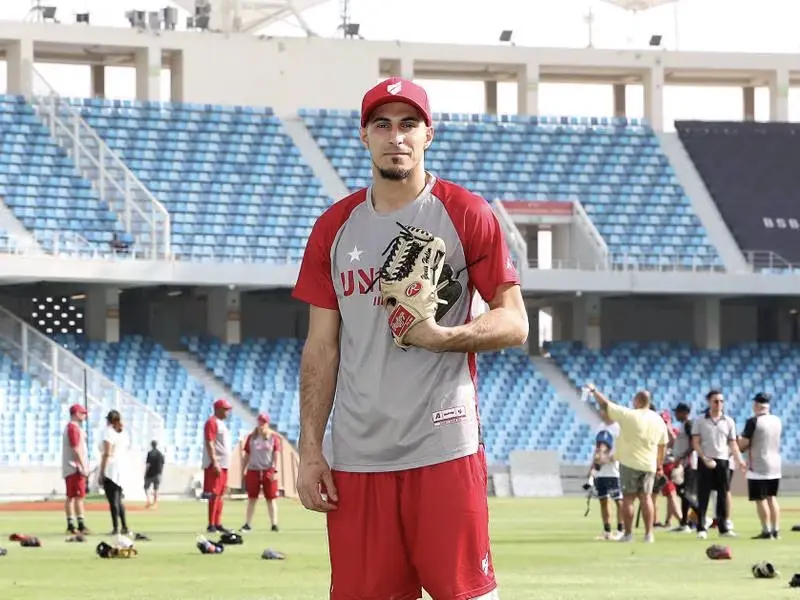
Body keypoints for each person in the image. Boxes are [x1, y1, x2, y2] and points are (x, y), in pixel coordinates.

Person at [291, 77, 528, 599]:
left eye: (408, 124)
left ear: (428, 134)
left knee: (464, 595)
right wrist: (311, 450)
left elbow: (515, 321)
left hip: (443, 446)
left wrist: (441, 337)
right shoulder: (334, 228)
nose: (395, 137)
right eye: (382, 125)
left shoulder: (466, 213)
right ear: (364, 136)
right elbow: (321, 349)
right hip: (357, 457)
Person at [585, 385, 668, 543]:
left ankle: (628, 534)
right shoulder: (658, 420)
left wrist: (594, 391)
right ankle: (649, 534)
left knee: (628, 498)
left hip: (630, 462)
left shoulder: (630, 415)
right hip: (649, 464)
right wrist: (659, 465)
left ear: (636, 401)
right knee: (647, 498)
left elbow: (606, 405)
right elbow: (662, 445)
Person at [691, 389, 746, 540]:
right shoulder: (700, 420)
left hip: (723, 461)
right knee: (703, 495)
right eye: (716, 401)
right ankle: (701, 528)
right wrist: (703, 457)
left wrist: (740, 460)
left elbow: (733, 444)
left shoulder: (728, 421)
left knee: (723, 495)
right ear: (709, 402)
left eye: (721, 401)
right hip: (706, 460)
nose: (719, 404)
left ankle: (723, 528)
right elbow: (695, 442)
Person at [738, 392, 782, 539]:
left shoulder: (753, 421)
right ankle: (776, 530)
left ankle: (766, 530)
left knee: (760, 498)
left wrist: (737, 446)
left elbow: (744, 443)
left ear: (756, 405)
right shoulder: (777, 420)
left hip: (758, 464)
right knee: (772, 497)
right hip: (775, 463)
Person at [241, 413, 282, 532]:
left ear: (267, 424)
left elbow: (276, 454)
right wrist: (243, 469)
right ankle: (247, 523)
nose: (261, 425)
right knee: (252, 498)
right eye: (260, 422)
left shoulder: (273, 438)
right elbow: (247, 454)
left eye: (263, 423)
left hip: (267, 470)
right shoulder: (251, 437)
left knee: (271, 498)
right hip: (253, 470)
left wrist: (275, 469)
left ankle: (274, 524)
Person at [585, 424, 623, 540]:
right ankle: (607, 531)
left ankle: (621, 529)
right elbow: (596, 455)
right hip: (601, 476)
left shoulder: (617, 435)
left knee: (618, 501)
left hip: (613, 474)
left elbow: (618, 455)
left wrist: (605, 459)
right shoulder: (600, 430)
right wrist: (592, 468)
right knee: (603, 501)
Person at [98, 410, 131, 535]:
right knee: (118, 499)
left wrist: (101, 472)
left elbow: (107, 453)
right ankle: (124, 526)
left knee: (113, 501)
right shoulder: (124, 434)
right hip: (121, 467)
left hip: (111, 467)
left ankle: (116, 527)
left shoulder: (108, 432)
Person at [203, 398, 233, 533]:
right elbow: (210, 442)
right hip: (217, 463)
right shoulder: (212, 422)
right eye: (225, 409)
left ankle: (218, 522)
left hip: (224, 463)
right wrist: (214, 461)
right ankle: (211, 524)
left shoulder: (220, 423)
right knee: (214, 493)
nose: (228, 412)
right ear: (218, 409)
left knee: (220, 493)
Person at [669, 402, 699, 532]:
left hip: (689, 464)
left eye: (677, 412)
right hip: (684, 463)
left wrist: (681, 458)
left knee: (685, 493)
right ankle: (684, 523)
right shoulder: (684, 425)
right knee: (684, 494)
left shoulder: (689, 424)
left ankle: (702, 515)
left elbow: (693, 445)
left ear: (684, 412)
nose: (675, 414)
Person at [62, 403, 91, 535]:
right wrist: (82, 465)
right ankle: (80, 524)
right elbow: (75, 448)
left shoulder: (72, 427)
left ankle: (71, 523)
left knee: (72, 496)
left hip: (72, 466)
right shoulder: (73, 428)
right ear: (76, 413)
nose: (84, 415)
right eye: (82, 413)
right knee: (78, 496)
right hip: (75, 467)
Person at [144, 440, 165, 509]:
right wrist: (160, 473)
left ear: (151, 445)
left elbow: (148, 464)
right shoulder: (160, 454)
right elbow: (162, 464)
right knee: (156, 489)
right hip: (158, 474)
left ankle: (148, 501)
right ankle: (155, 503)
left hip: (150, 474)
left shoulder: (150, 453)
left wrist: (145, 473)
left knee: (146, 488)